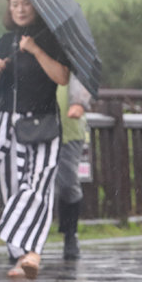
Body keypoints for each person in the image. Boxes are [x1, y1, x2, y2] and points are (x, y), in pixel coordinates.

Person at [0, 0, 70, 279]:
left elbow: (61, 77)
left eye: (26, 4)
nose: (19, 9)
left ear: (36, 7)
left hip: (43, 123)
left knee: (38, 185)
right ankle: (19, 255)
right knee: (11, 187)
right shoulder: (5, 41)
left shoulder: (51, 39)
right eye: (15, 4)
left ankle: (33, 253)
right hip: (8, 123)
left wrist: (34, 49)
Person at [55, 75, 91, 260]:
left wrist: (81, 102)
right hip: (36, 126)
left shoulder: (74, 49)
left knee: (68, 184)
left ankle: (70, 233)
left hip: (69, 128)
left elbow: (85, 76)